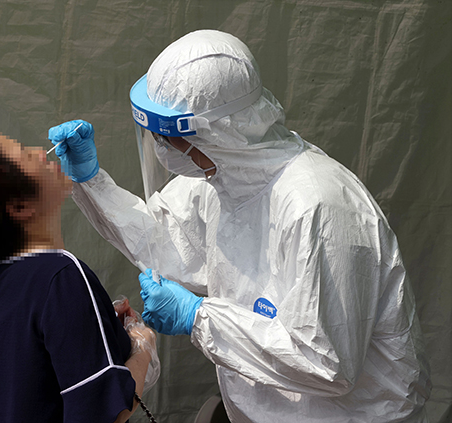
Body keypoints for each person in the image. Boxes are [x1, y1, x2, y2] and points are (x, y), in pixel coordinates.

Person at [48, 30, 432, 422]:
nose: (162, 150)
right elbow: (162, 239)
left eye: (169, 138)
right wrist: (91, 181)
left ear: (216, 133)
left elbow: (325, 361)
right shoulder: (222, 180)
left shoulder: (319, 208)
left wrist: (199, 318)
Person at [0, 115, 158, 423]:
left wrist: (100, 330)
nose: (39, 151)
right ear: (19, 206)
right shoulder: (62, 276)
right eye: (25, 154)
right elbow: (108, 412)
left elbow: (22, 375)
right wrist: (143, 345)